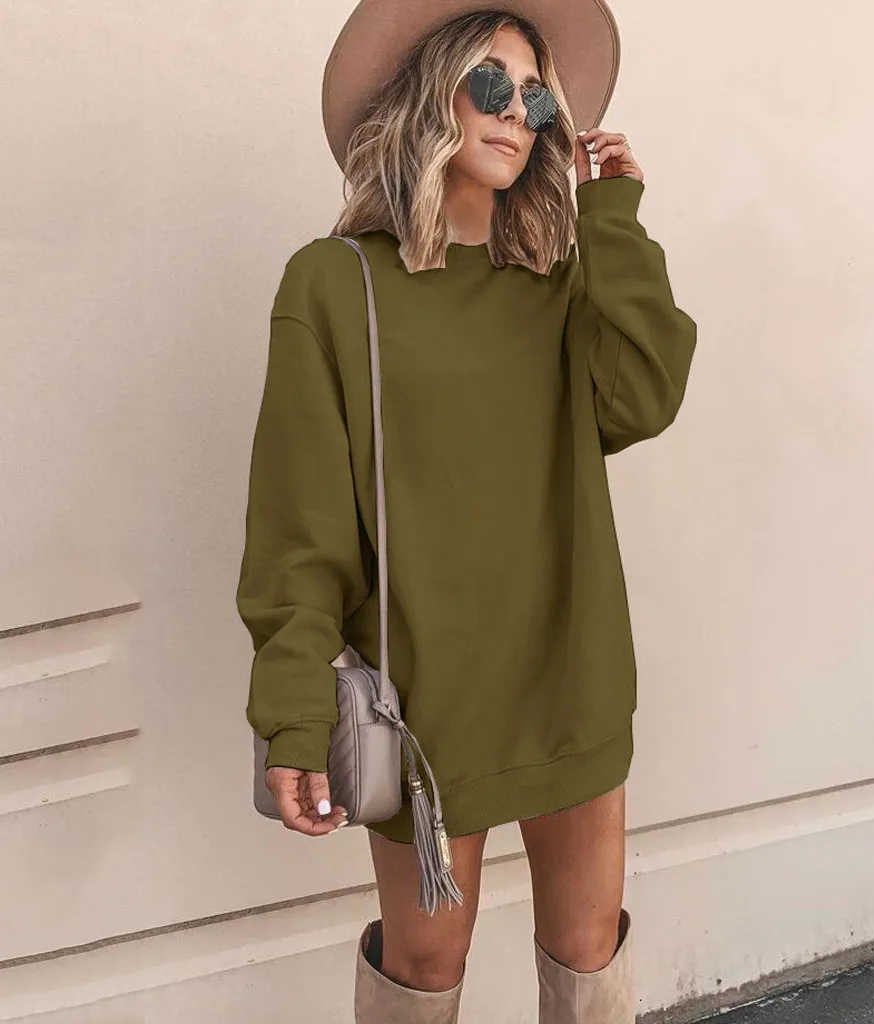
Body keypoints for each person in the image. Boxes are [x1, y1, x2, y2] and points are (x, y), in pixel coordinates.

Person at [235, 1, 697, 1020]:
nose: (516, 113)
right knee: (426, 962)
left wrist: (612, 219)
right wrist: (294, 712)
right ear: (425, 93)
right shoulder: (333, 286)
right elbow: (298, 531)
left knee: (587, 954)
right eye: (490, 83)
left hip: (568, 669)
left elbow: (642, 397)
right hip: (429, 697)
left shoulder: (558, 277)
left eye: (536, 96)